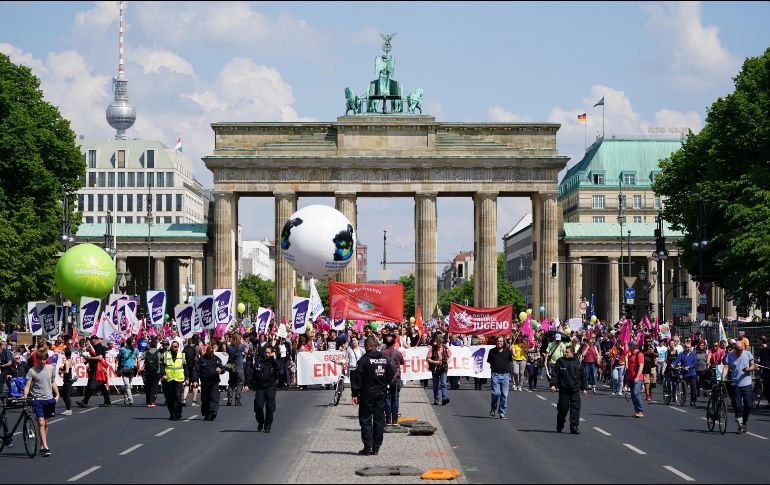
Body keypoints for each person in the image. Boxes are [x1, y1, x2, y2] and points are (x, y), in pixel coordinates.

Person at [351, 336, 393, 456]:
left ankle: (368, 446)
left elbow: (357, 378)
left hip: (367, 394)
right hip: (381, 393)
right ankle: (376, 447)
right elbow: (391, 374)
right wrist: (384, 384)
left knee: (365, 419)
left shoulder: (364, 360)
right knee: (379, 420)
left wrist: (355, 393)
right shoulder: (384, 359)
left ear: (368, 346)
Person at [23, 348, 59, 457]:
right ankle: (45, 447)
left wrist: (57, 395)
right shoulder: (32, 370)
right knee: (41, 422)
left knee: (46, 423)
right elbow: (28, 386)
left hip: (49, 399)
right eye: (40, 359)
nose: (42, 361)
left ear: (46, 359)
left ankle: (42, 446)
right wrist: (25, 395)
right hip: (37, 399)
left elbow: (52, 382)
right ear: (37, 359)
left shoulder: (50, 368)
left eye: (44, 359)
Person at [549, 346, 588, 434]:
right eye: (564, 352)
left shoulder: (578, 362)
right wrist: (553, 385)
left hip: (575, 389)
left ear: (572, 353)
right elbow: (555, 374)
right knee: (563, 408)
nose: (565, 353)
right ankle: (560, 424)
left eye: (567, 352)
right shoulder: (560, 361)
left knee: (575, 409)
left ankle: (574, 426)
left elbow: (583, 376)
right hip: (564, 389)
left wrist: (584, 388)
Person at [723, 340, 755, 434]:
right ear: (734, 349)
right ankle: (740, 424)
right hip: (735, 384)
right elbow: (726, 367)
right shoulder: (730, 356)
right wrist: (722, 378)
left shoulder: (748, 354)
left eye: (741, 350)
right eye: (737, 350)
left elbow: (753, 365)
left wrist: (748, 369)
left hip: (746, 383)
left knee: (748, 405)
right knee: (737, 405)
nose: (739, 352)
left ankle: (744, 422)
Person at [76, 335, 110, 408]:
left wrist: (90, 358)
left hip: (97, 369)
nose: (90, 341)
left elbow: (100, 358)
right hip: (94, 368)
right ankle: (107, 400)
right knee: (100, 384)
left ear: (95, 339)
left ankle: (85, 402)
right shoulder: (94, 347)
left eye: (91, 340)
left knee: (91, 385)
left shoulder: (99, 347)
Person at [252, 344, 280, 432]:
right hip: (260, 387)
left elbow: (279, 368)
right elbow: (253, 373)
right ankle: (260, 422)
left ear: (271, 353)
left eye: (269, 353)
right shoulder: (259, 361)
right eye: (266, 352)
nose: (267, 354)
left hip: (270, 387)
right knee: (258, 407)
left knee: (270, 407)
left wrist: (274, 359)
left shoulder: (274, 362)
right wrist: (248, 384)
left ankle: (267, 426)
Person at [161, 340, 188, 421]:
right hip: (168, 379)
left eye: (175, 346)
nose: (174, 348)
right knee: (169, 398)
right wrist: (163, 374)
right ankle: (172, 413)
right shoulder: (166, 355)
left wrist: (187, 378)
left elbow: (185, 367)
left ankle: (177, 412)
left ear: (178, 347)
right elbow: (162, 366)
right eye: (172, 346)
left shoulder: (182, 355)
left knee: (177, 397)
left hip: (178, 379)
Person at [382, 332, 405, 426]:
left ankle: (387, 420)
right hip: (397, 378)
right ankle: (395, 420)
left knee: (387, 399)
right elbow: (402, 362)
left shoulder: (382, 353)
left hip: (385, 379)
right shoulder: (398, 353)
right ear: (394, 342)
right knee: (395, 398)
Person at [488, 336, 513, 419]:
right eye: (498, 341)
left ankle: (502, 412)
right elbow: (490, 362)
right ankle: (493, 407)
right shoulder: (492, 351)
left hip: (505, 375)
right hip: (495, 375)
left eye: (501, 341)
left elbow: (510, 361)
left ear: (503, 342)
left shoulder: (507, 351)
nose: (499, 342)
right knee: (496, 393)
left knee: (504, 395)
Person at [197, 344, 224, 421]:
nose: (211, 355)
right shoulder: (202, 359)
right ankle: (206, 413)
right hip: (205, 382)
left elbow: (222, 368)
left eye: (212, 353)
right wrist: (195, 380)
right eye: (210, 353)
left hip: (214, 381)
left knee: (214, 397)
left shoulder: (216, 359)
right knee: (205, 399)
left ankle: (213, 412)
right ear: (207, 352)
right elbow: (197, 370)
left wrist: (221, 370)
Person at [426, 334, 451, 406]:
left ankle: (444, 398)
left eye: (441, 342)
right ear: (436, 341)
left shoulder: (445, 347)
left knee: (443, 383)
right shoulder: (432, 348)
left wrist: (447, 362)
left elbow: (450, 357)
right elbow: (427, 359)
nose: (440, 343)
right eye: (439, 342)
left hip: (443, 368)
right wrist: (436, 362)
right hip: (435, 368)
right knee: (435, 384)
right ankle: (436, 399)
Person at [673, 341, 698, 407]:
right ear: (684, 348)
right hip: (684, 373)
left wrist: (689, 367)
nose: (689, 349)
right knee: (684, 387)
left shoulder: (693, 354)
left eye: (690, 347)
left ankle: (693, 401)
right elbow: (677, 360)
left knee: (694, 388)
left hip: (692, 373)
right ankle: (682, 398)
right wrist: (673, 364)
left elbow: (695, 363)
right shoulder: (681, 354)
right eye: (687, 347)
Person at [117, 337, 139, 406]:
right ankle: (130, 400)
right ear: (129, 342)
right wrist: (117, 368)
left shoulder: (135, 350)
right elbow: (118, 359)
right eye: (133, 342)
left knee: (129, 385)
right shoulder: (123, 349)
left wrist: (138, 369)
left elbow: (138, 359)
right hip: (124, 369)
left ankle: (126, 397)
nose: (134, 343)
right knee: (127, 385)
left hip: (132, 370)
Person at [626, 341, 645, 417]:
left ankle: (640, 410)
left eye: (629, 346)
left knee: (636, 393)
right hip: (631, 378)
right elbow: (630, 369)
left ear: (633, 347)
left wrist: (637, 377)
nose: (628, 347)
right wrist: (627, 380)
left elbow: (641, 366)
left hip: (638, 378)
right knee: (633, 395)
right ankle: (637, 411)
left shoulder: (639, 354)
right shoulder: (630, 356)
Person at [226, 334, 246, 406]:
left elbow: (228, 352)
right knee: (240, 382)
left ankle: (229, 399)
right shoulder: (241, 346)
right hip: (239, 366)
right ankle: (237, 400)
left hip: (232, 367)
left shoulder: (229, 347)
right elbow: (246, 350)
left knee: (231, 383)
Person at [141, 339, 162, 408]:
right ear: (156, 345)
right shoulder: (158, 353)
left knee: (148, 386)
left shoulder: (146, 352)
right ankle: (153, 402)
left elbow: (140, 358)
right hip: (156, 372)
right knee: (154, 387)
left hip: (148, 372)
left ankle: (148, 402)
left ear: (150, 345)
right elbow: (160, 362)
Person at [183, 335, 201, 407]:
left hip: (187, 367)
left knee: (187, 383)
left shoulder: (186, 348)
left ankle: (184, 399)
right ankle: (194, 401)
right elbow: (202, 356)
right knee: (195, 384)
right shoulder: (197, 348)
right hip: (195, 367)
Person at [58, 337, 75, 415]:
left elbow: (67, 371)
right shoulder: (71, 360)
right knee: (65, 394)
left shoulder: (67, 361)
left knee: (65, 394)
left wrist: (62, 371)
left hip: (68, 379)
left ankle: (69, 409)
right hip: (70, 379)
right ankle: (68, 409)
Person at [757, 336, 770, 407]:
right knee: (765, 389)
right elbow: (761, 361)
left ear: (761, 341)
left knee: (767, 389)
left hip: (768, 371)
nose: (758, 342)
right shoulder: (761, 350)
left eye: (759, 340)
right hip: (763, 371)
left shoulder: (768, 349)